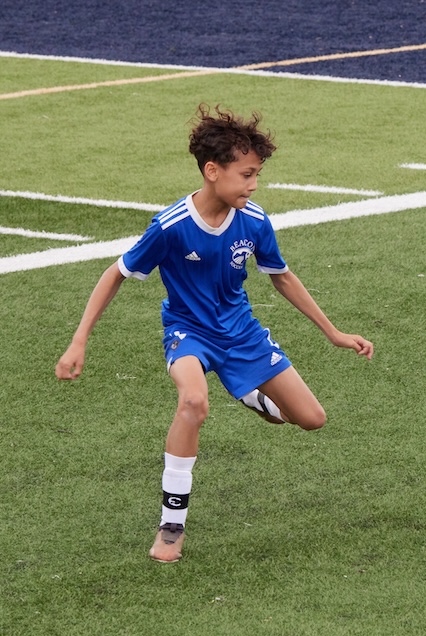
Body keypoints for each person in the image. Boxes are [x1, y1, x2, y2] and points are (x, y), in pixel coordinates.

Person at [56, 104, 373, 563]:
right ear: (212, 170)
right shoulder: (171, 226)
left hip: (241, 334)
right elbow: (116, 273)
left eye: (256, 174)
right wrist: (79, 339)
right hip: (188, 333)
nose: (253, 184)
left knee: (311, 418)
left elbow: (281, 276)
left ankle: (250, 395)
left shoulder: (255, 221)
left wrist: (334, 333)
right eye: (246, 174)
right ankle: (171, 524)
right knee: (193, 402)